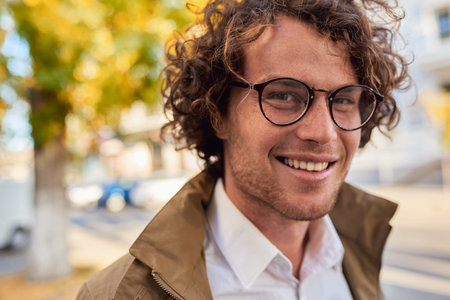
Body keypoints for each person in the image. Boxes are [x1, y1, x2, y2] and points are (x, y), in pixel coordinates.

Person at [77, 0, 410, 299]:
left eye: (344, 100)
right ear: (218, 114)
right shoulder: (117, 294)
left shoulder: (358, 252)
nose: (322, 132)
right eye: (283, 95)